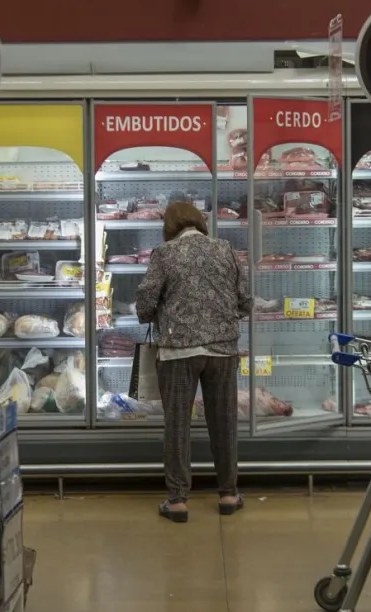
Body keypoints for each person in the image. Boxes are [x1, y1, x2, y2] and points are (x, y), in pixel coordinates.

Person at [135, 202, 251, 523]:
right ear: (200, 222)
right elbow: (245, 301)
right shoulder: (225, 249)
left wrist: (157, 312)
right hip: (222, 351)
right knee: (224, 423)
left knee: (177, 425)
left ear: (169, 227)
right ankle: (228, 494)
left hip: (178, 352)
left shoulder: (165, 253)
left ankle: (177, 501)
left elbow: (145, 302)